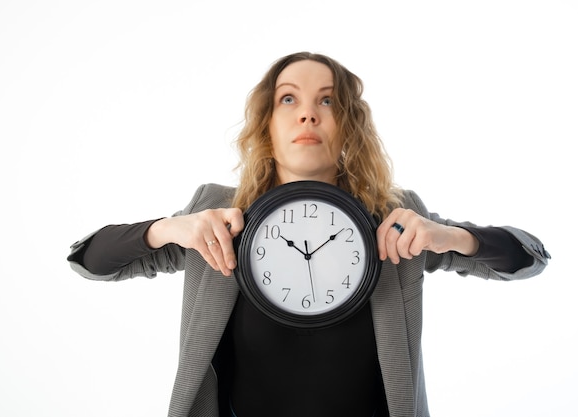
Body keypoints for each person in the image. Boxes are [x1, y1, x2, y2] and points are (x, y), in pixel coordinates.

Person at [67, 52, 550, 417]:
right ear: (267, 123)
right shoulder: (216, 216)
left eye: (327, 100)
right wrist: (168, 230)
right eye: (289, 98)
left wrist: (451, 238)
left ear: (349, 126)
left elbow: (531, 257)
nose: (308, 114)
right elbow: (87, 259)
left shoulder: (396, 220)